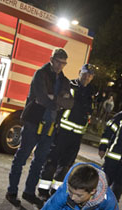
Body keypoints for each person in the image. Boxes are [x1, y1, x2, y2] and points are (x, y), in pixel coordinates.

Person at [6, 48, 73, 207]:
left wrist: (53, 98)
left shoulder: (64, 81)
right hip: (33, 121)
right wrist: (57, 101)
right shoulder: (40, 74)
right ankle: (12, 190)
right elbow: (41, 97)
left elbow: (70, 103)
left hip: (50, 125)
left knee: (39, 161)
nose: (59, 66)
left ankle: (29, 192)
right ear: (51, 59)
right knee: (22, 157)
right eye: (57, 62)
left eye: (63, 63)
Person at [37, 64, 97, 199]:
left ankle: (55, 191)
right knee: (52, 161)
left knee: (66, 165)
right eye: (85, 73)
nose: (87, 77)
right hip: (62, 131)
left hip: (76, 136)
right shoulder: (69, 86)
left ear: (92, 77)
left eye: (90, 75)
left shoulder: (92, 92)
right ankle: (42, 190)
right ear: (79, 72)